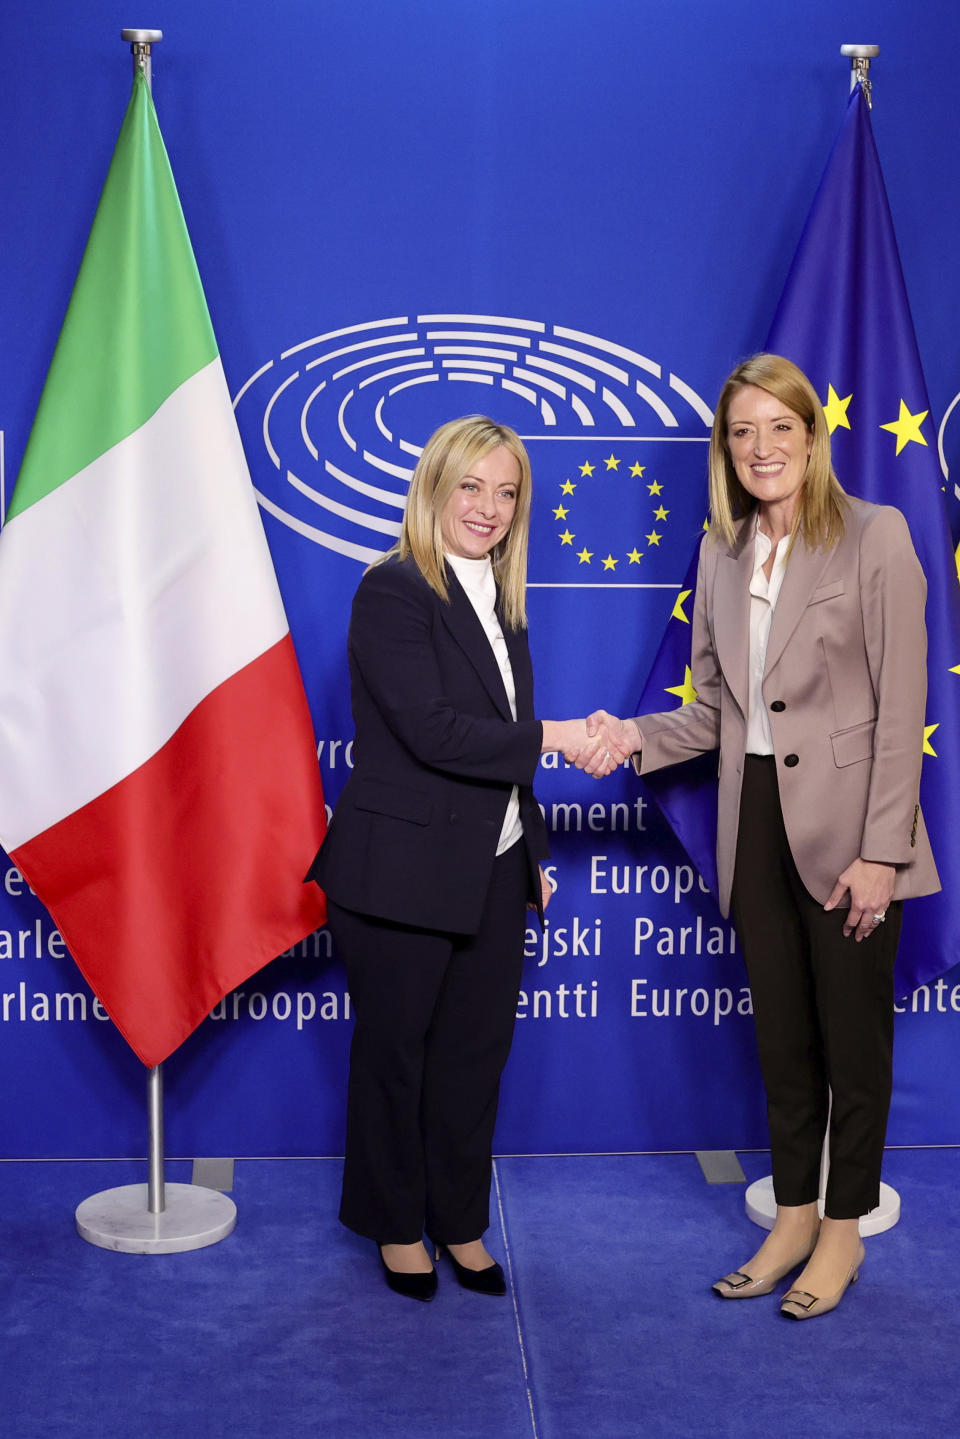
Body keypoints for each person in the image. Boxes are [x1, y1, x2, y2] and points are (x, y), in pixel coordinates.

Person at [581, 354, 939, 1320]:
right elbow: (715, 719)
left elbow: (903, 710)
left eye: (780, 427)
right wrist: (630, 737)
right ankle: (789, 1218)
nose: (761, 447)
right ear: (725, 451)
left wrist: (883, 852)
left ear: (812, 437)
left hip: (854, 834)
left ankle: (840, 1235)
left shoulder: (876, 536)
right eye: (742, 432)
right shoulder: (723, 552)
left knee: (851, 1050)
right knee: (782, 1044)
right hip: (756, 829)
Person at [307, 415, 595, 1301]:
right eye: (471, 486)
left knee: (476, 1057)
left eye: (507, 491)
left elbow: (496, 754)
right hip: (397, 875)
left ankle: (460, 1220)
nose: (490, 507)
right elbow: (435, 734)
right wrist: (562, 736)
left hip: (490, 871)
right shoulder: (393, 591)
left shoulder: (502, 601)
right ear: (434, 487)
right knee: (397, 1054)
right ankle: (398, 1226)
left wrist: (527, 853)